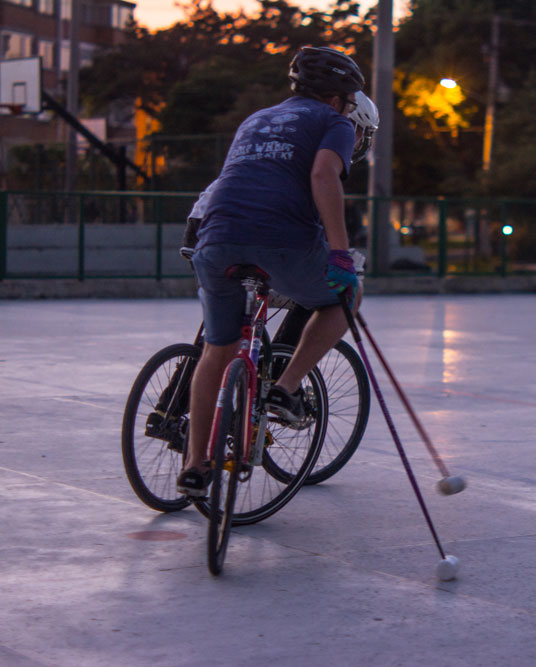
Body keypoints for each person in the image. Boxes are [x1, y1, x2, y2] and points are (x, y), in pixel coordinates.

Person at [175, 46, 373, 496]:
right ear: (341, 98)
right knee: (346, 296)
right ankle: (286, 387)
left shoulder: (255, 119)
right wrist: (340, 256)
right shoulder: (335, 123)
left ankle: (195, 464)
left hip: (215, 239)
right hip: (282, 241)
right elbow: (324, 177)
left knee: (217, 349)